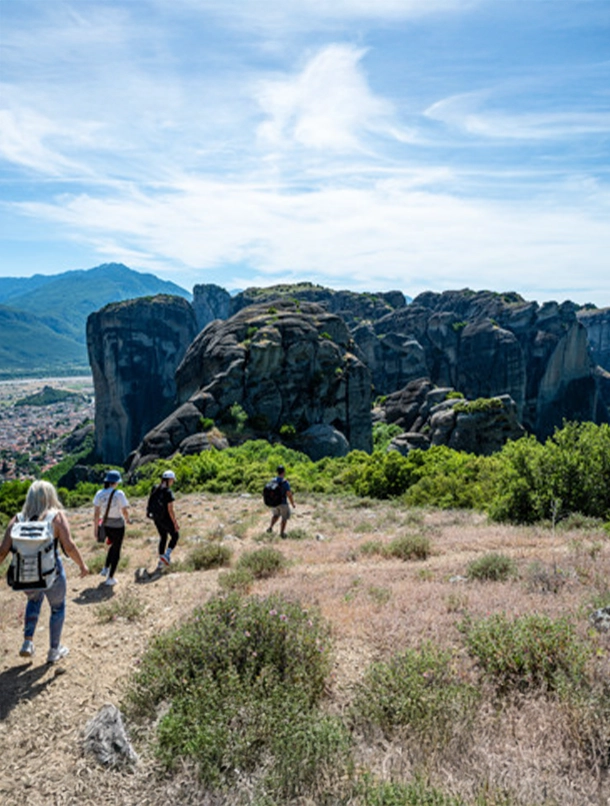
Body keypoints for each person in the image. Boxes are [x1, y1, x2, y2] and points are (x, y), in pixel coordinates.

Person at [0, 480, 90, 663]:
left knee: (33, 600)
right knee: (58, 608)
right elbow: (69, 546)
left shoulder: (17, 519)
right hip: (52, 572)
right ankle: (54, 650)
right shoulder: (56, 517)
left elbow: (3, 550)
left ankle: (27, 642)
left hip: (25, 574)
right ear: (51, 496)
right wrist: (82, 565)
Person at [93, 470, 130, 587]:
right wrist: (127, 519)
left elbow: (96, 513)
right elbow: (124, 510)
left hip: (106, 524)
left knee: (112, 546)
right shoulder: (119, 494)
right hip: (118, 525)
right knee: (116, 550)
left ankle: (105, 568)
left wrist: (95, 530)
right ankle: (110, 577)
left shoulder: (99, 494)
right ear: (115, 482)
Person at [149, 470, 180, 570]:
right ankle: (166, 555)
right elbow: (170, 509)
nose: (173, 482)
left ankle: (161, 561)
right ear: (169, 480)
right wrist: (175, 523)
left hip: (156, 518)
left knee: (163, 537)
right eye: (172, 480)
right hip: (165, 518)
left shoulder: (155, 488)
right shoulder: (168, 492)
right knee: (175, 535)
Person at [267, 464, 295, 538]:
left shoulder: (272, 481)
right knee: (284, 518)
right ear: (284, 472)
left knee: (275, 515)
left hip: (274, 503)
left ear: (277, 472)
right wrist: (292, 503)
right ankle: (282, 533)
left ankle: (270, 527)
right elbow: (289, 494)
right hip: (283, 503)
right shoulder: (285, 483)